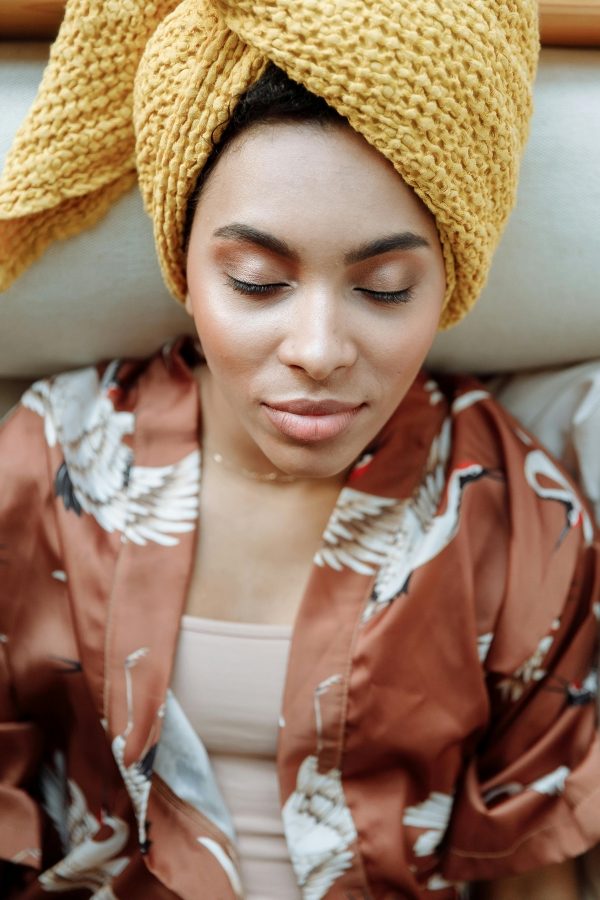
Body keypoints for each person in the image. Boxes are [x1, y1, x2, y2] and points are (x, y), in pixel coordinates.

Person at [1, 1, 600, 898]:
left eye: (387, 289)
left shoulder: (519, 514)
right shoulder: (51, 464)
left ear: (451, 280)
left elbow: (534, 868)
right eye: (258, 282)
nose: (318, 349)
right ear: (185, 264)